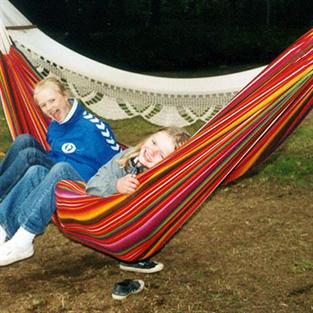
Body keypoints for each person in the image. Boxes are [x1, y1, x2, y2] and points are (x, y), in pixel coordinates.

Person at [0, 76, 120, 266]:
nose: (49, 108)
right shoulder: (55, 125)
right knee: (26, 147)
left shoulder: (92, 128)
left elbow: (117, 161)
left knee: (58, 167)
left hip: (86, 181)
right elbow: (58, 153)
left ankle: (23, 240)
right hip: (60, 167)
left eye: (52, 100)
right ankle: (2, 228)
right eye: (43, 105)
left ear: (65, 95)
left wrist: (115, 185)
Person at [86, 126, 190, 300]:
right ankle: (130, 256)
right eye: (154, 142)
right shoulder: (124, 159)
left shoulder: (166, 184)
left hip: (136, 235)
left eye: (162, 155)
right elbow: (91, 189)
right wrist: (115, 186)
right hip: (106, 224)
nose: (151, 151)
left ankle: (132, 255)